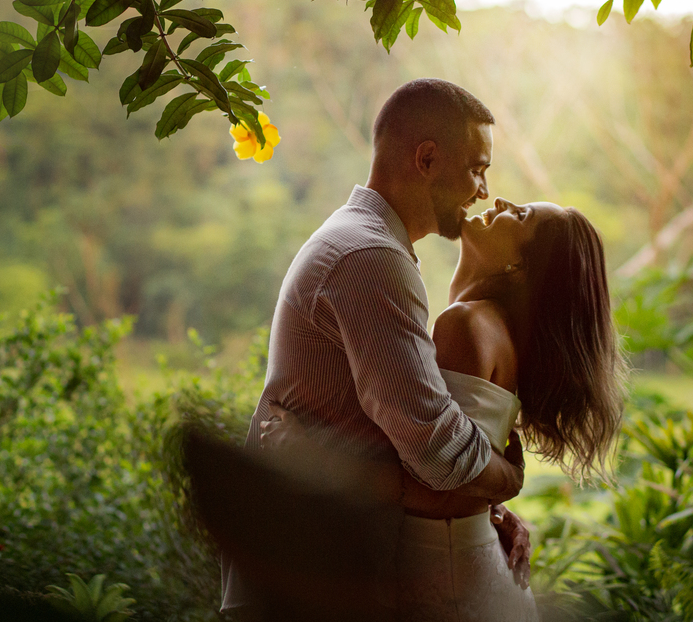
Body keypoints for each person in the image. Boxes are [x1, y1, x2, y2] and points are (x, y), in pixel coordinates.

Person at [220, 79, 532, 618]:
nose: (483, 189)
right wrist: (507, 480)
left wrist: (485, 513)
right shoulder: (369, 257)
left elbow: (396, 446)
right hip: (309, 574)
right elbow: (435, 447)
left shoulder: (365, 243)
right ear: (428, 158)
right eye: (477, 168)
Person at [262, 195, 629, 621]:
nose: (501, 200)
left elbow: (437, 490)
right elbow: (457, 472)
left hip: (444, 574)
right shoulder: (487, 326)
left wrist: (314, 459)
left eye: (521, 215)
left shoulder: (466, 324)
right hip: (464, 560)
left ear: (519, 267)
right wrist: (498, 497)